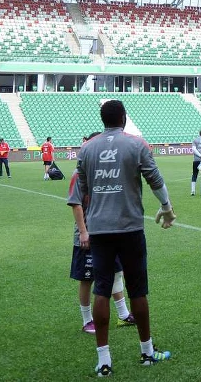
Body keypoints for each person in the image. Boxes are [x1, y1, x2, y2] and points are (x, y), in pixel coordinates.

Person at [67, 100, 176, 376]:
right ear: (124, 118)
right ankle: (147, 352)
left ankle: (104, 360)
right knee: (137, 288)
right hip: (129, 228)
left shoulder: (88, 148)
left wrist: (84, 228)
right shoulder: (136, 144)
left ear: (102, 120)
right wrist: (166, 208)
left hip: (99, 230)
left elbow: (78, 193)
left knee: (101, 289)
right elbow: (155, 179)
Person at [68, 133, 137, 335]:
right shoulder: (79, 172)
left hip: (109, 232)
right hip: (89, 233)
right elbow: (76, 203)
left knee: (117, 272)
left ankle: (123, 315)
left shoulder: (106, 170)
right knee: (87, 278)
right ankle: (87, 319)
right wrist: (83, 232)